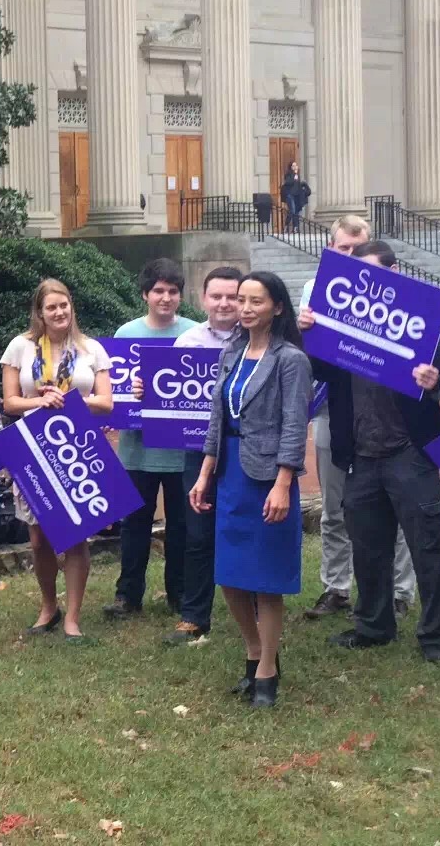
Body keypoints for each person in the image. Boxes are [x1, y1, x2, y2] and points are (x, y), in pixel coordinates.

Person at [305, 240, 440, 661]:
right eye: (360, 278)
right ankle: (374, 627)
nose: (366, 285)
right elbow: (316, 369)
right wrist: (308, 333)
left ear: (393, 273)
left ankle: (435, 637)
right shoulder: (341, 322)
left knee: (427, 546)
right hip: (360, 456)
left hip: (409, 453)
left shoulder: (421, 323)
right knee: (368, 547)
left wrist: (435, 381)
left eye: (374, 275)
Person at [189, 271, 312, 708]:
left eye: (255, 301)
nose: (244, 308)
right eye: (241, 300)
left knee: (266, 579)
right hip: (230, 476)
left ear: (277, 307)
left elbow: (295, 426)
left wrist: (283, 483)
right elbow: (216, 419)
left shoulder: (291, 359)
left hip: (268, 479)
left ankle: (267, 672)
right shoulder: (232, 352)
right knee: (230, 575)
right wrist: (205, 474)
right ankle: (254, 651)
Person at [298, 217, 416, 621]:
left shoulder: (404, 299)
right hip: (334, 411)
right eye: (343, 249)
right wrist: (304, 331)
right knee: (334, 508)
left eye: (358, 248)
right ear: (330, 249)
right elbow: (313, 359)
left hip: (389, 418)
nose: (350, 256)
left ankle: (400, 592)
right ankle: (336, 588)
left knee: (394, 509)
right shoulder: (316, 290)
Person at [1, 279, 113, 640]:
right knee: (38, 539)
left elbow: (106, 402)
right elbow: (10, 402)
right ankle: (49, 607)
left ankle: (73, 618)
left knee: (75, 535)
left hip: (75, 448)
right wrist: (41, 401)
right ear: (40, 312)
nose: (59, 312)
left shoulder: (90, 349)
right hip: (32, 451)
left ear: (71, 306)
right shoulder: (20, 347)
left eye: (64, 305)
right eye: (51, 307)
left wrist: (70, 401)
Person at [103, 259, 193, 620]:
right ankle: (128, 595)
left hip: (182, 451)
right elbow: (114, 388)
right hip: (137, 449)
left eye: (172, 291)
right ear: (145, 294)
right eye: (158, 291)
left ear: (181, 295)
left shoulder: (193, 334)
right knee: (134, 526)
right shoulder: (126, 333)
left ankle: (180, 593)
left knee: (181, 526)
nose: (165, 298)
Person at [162, 265, 243, 645]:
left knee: (244, 529)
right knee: (197, 534)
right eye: (217, 296)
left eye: (233, 296)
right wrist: (149, 390)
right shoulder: (188, 341)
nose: (224, 303)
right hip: (198, 452)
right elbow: (169, 395)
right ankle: (194, 616)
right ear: (203, 299)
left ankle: (255, 607)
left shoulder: (260, 338)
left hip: (245, 449)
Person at [280, 161, 310, 232]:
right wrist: (294, 174)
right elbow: (288, 182)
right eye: (293, 166)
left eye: (296, 165)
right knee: (292, 210)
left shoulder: (297, 175)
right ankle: (286, 225)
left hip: (296, 196)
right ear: (291, 167)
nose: (295, 167)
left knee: (296, 212)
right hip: (290, 195)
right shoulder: (288, 175)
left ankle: (295, 228)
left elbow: (297, 185)